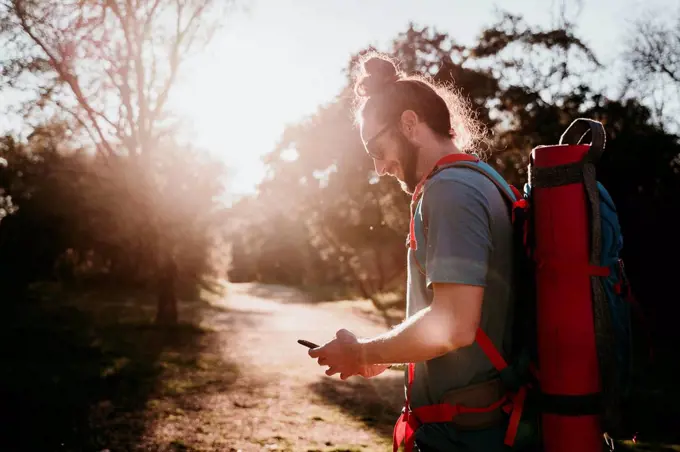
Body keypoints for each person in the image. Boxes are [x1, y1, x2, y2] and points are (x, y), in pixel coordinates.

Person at [308, 52, 516, 451]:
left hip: (467, 436)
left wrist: (362, 354)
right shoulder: (484, 181)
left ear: (409, 123)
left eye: (376, 148)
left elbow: (454, 324)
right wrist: (383, 354)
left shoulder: (450, 191)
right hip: (481, 425)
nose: (379, 168)